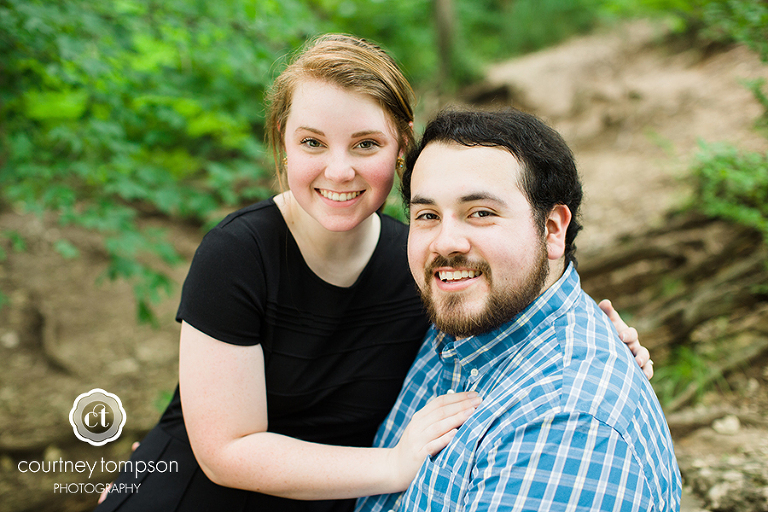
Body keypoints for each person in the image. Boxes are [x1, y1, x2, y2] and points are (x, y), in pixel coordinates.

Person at [95, 35, 650, 512]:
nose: (340, 169)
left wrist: (602, 335)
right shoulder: (238, 254)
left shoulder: (417, 256)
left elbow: (509, 280)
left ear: (401, 147)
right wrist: (394, 466)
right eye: (312, 142)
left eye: (366, 144)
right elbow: (226, 452)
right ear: (283, 145)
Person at [355, 108, 681, 512]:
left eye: (481, 213)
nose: (445, 242)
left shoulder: (567, 423)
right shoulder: (458, 323)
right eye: (427, 216)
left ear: (552, 230)